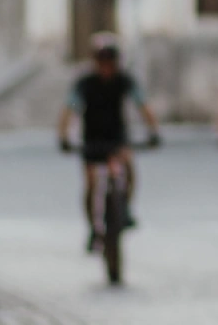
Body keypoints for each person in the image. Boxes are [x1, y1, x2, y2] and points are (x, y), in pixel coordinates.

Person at [58, 33, 163, 251]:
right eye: (102, 61)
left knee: (128, 169)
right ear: (95, 62)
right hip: (92, 139)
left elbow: (143, 105)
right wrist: (64, 137)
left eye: (110, 61)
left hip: (117, 138)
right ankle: (92, 227)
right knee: (91, 184)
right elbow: (69, 110)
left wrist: (154, 131)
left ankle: (124, 208)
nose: (106, 66)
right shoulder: (85, 84)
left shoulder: (124, 80)